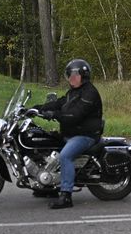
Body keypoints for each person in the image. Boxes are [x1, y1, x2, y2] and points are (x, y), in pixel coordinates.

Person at [31, 59, 103, 209]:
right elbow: (59, 103)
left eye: (74, 75)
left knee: (65, 156)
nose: (71, 78)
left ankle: (66, 196)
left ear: (83, 75)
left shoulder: (90, 93)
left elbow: (74, 115)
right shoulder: (73, 92)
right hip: (72, 133)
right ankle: (49, 187)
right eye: (69, 75)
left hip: (85, 135)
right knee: (47, 146)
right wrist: (36, 109)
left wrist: (54, 114)